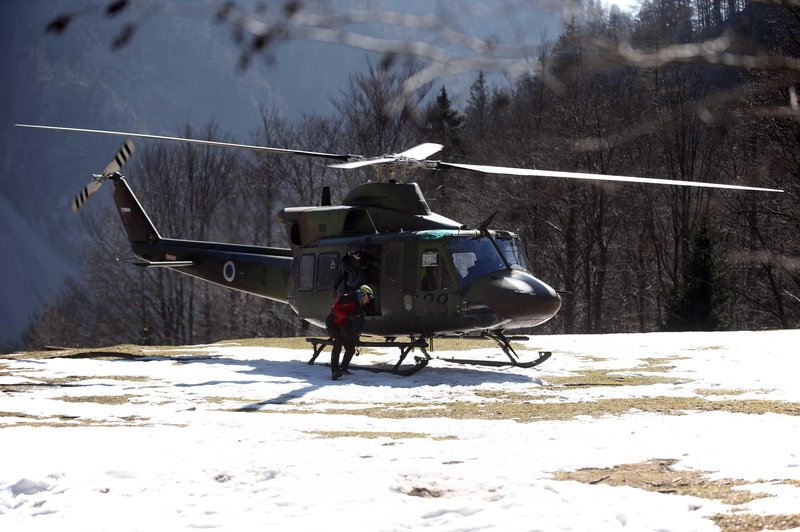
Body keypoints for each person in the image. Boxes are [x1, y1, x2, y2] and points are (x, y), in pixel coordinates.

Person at [324, 284, 374, 380]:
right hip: (333, 324)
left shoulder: (359, 307)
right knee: (337, 343)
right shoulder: (348, 299)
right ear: (362, 295)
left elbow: (359, 323)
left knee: (351, 349)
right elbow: (334, 309)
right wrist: (347, 316)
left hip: (342, 326)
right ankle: (335, 371)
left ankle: (343, 368)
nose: (368, 301)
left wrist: (356, 338)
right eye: (368, 298)